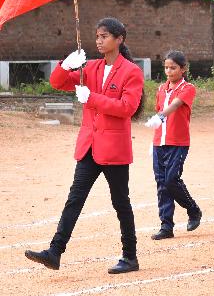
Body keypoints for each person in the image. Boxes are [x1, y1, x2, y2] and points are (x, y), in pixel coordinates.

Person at [25, 17, 144, 274]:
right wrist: (65, 64)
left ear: (119, 39)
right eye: (97, 36)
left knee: (120, 202)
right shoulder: (89, 67)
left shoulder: (131, 71)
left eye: (104, 36)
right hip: (89, 146)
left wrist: (93, 97)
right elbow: (57, 82)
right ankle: (55, 251)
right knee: (74, 199)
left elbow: (128, 108)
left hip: (113, 148)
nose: (99, 40)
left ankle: (130, 256)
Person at [145, 50, 202, 240]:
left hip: (177, 142)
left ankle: (193, 209)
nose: (169, 71)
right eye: (166, 67)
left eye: (173, 68)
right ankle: (166, 225)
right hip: (159, 142)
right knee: (162, 183)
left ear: (183, 69)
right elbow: (159, 109)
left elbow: (176, 105)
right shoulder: (161, 88)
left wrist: (160, 116)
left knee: (171, 179)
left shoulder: (187, 88)